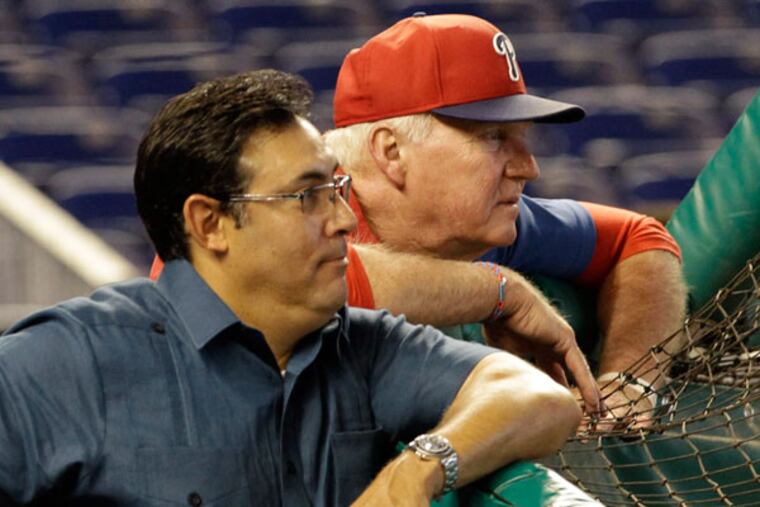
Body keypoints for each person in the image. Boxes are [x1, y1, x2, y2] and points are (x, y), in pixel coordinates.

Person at [0, 70, 582, 505]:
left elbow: (538, 397)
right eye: (308, 197)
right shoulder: (65, 362)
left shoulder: (364, 347)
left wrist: (418, 469)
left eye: (338, 190)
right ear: (210, 224)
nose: (346, 221)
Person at [323, 13, 687, 427]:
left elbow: (637, 238)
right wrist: (501, 291)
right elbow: (319, 285)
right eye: (493, 137)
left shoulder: (468, 223)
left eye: (521, 136)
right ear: (391, 152)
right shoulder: (291, 201)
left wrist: (627, 385)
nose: (528, 167)